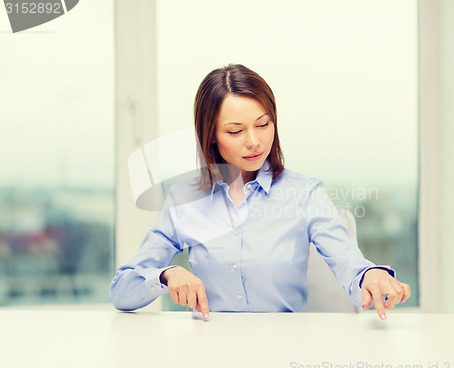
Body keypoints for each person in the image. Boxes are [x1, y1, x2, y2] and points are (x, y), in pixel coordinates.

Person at [109, 64, 411, 321]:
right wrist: (166, 275)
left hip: (284, 353)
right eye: (235, 131)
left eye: (263, 124)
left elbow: (350, 264)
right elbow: (122, 290)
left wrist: (371, 276)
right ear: (210, 136)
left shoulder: (304, 194)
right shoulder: (184, 199)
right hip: (208, 355)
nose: (254, 141)